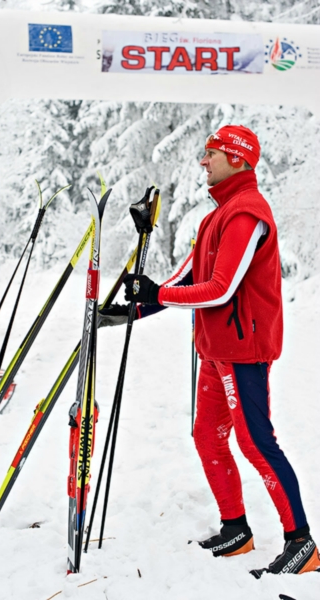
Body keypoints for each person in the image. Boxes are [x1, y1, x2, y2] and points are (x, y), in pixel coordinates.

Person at [99, 125, 320, 578]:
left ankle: (302, 544)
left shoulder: (246, 214)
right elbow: (185, 279)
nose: (203, 161)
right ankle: (236, 529)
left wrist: (158, 293)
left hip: (243, 350)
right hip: (216, 349)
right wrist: (135, 308)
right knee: (207, 435)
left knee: (257, 442)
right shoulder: (216, 216)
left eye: (212, 154)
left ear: (238, 159)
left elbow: (219, 290)